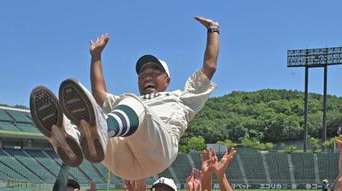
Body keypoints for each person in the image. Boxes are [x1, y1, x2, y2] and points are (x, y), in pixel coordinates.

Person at [30, 16, 220, 179]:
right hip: (123, 162)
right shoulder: (125, 111)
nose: (147, 75)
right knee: (97, 109)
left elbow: (209, 66)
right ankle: (69, 136)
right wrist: (96, 56)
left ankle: (99, 129)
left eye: (155, 71)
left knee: (128, 104)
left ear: (167, 79)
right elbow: (99, 94)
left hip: (159, 151)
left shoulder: (180, 97)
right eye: (143, 73)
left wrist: (213, 29)